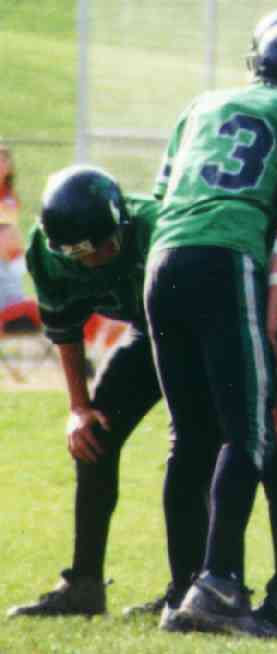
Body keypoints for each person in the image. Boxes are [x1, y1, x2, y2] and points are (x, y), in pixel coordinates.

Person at [147, 18, 277, 637]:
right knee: (248, 431)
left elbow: (164, 196)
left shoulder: (204, 104)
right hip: (227, 256)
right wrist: (271, 320)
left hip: (163, 257)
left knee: (190, 435)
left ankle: (184, 589)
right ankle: (218, 586)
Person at [6, 166, 183, 619]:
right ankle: (83, 584)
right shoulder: (48, 252)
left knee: (192, 449)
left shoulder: (160, 228)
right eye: (81, 253)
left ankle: (191, 588)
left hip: (196, 334)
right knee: (94, 436)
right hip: (148, 331)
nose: (94, 260)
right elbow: (64, 327)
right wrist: (78, 407)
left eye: (103, 246)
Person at [0, 145, 40, 334]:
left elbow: (8, 232)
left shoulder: (9, 196)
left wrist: (18, 258)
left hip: (8, 264)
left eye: (3, 160)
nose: (1, 165)